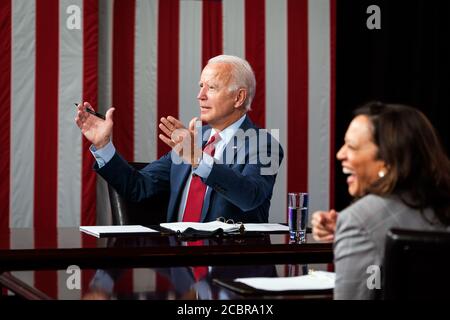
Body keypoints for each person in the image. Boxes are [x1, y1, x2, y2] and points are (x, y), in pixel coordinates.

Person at [75, 55, 283, 223]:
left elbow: (251, 197)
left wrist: (199, 160)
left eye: (211, 87)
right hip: (178, 265)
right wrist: (103, 145)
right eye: (201, 86)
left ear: (238, 97)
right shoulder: (193, 141)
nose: (200, 95)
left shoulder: (266, 144)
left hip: (229, 265)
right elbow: (138, 187)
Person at [311, 102, 450, 299]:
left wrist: (356, 229)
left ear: (387, 159)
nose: (340, 154)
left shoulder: (358, 221)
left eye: (351, 146)